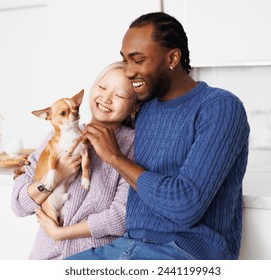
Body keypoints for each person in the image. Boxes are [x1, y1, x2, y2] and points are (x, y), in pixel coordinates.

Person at [66, 12, 250, 260]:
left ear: (172, 58)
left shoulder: (220, 107)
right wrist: (41, 160)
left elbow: (186, 205)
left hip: (188, 252)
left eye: (138, 60)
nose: (128, 72)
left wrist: (115, 158)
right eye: (125, 61)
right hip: (128, 245)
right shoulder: (145, 110)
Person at [11, 62, 138, 260]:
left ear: (134, 106)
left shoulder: (133, 145)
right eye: (102, 87)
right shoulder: (58, 134)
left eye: (119, 94)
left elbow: (121, 216)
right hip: (46, 256)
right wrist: (56, 176)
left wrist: (59, 233)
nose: (106, 98)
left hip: (95, 258)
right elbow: (19, 204)